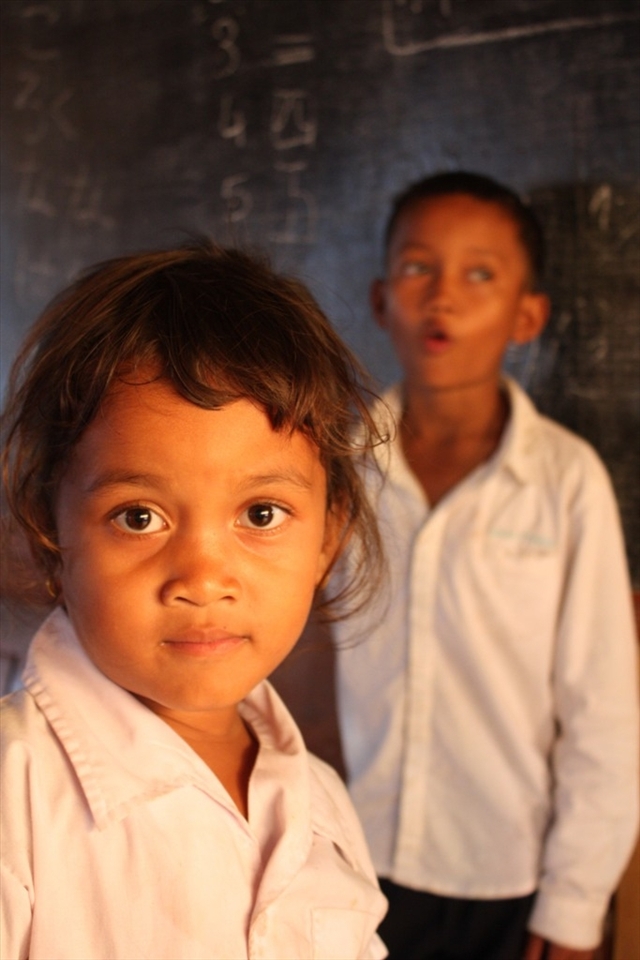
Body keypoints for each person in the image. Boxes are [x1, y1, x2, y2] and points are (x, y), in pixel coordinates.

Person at [0, 240, 389, 960]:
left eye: (262, 515)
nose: (204, 578)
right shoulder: (14, 802)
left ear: (328, 539)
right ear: (50, 529)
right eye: (139, 516)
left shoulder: (323, 806)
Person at [332, 172, 639, 960]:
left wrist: (575, 905)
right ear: (378, 300)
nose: (442, 297)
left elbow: (604, 715)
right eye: (417, 268)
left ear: (526, 315)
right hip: (346, 861)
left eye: (479, 274)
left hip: (508, 879)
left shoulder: (566, 482)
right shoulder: (340, 468)